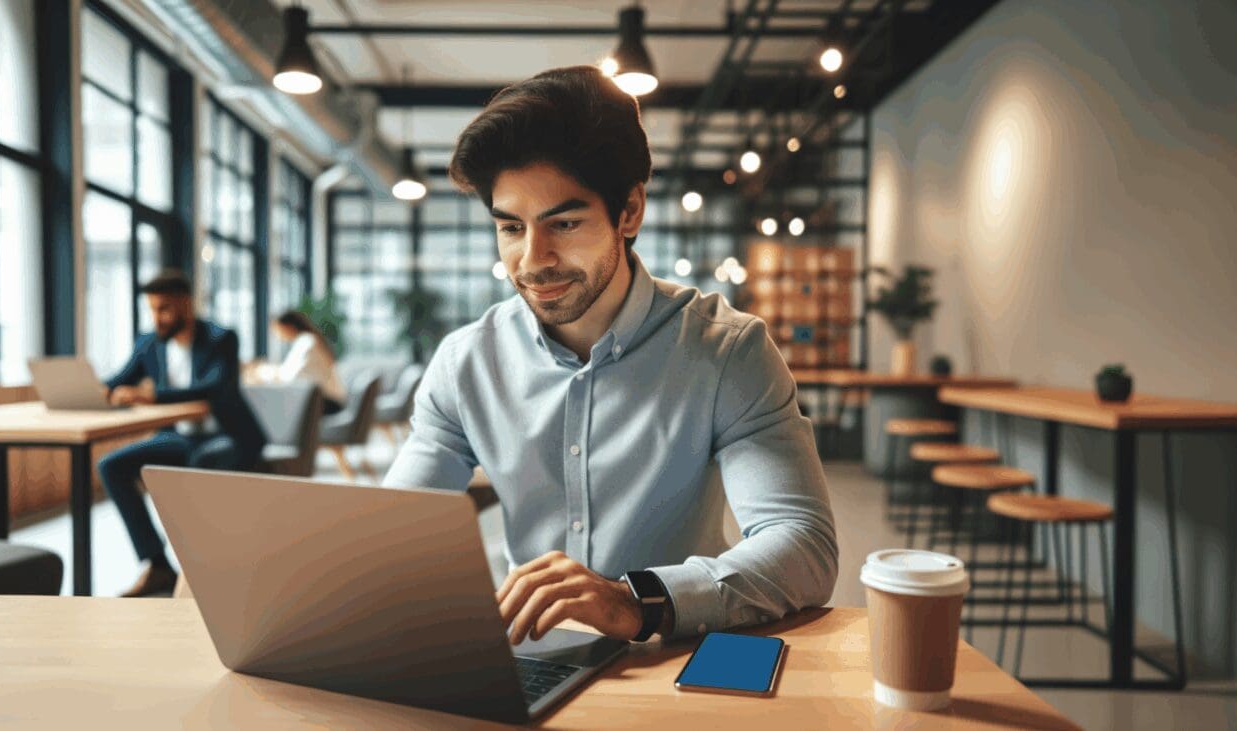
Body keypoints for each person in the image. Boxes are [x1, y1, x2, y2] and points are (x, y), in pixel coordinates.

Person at [383, 66, 838, 646]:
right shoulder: (465, 364)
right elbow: (389, 534)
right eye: (510, 228)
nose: (532, 260)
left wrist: (636, 599)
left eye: (564, 223)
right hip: (527, 652)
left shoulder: (728, 352)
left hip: (673, 650)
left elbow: (803, 544)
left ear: (629, 212)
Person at [99, 270, 267, 597]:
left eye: (164, 309)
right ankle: (159, 565)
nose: (157, 318)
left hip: (229, 435)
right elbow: (120, 378)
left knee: (198, 461)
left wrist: (153, 396)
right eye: (152, 309)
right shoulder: (149, 343)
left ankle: (203, 573)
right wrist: (96, 391)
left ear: (186, 305)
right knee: (111, 466)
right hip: (178, 437)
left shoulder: (221, 339)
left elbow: (213, 388)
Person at [248, 310, 348, 414]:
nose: (277, 335)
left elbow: (291, 376)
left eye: (277, 330)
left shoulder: (306, 342)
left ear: (289, 326)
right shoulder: (308, 340)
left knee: (275, 408)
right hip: (329, 400)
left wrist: (262, 373)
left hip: (328, 402)